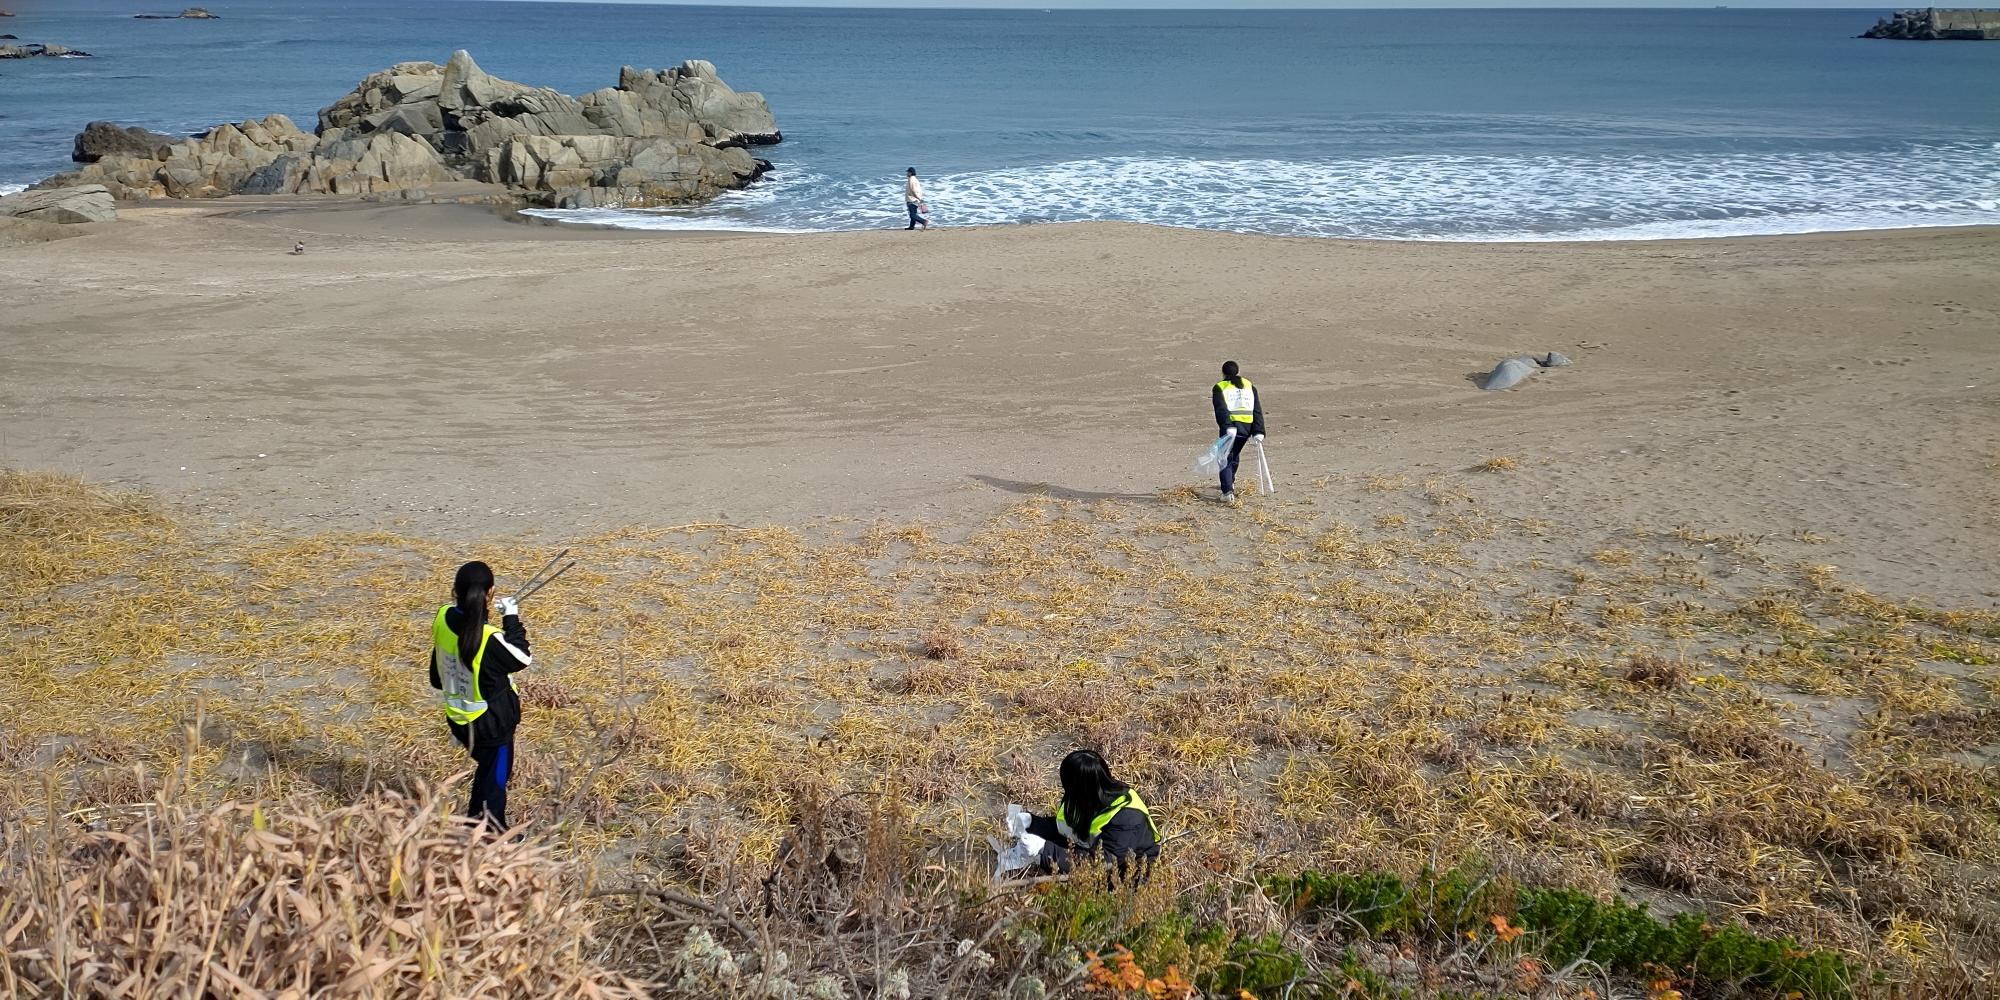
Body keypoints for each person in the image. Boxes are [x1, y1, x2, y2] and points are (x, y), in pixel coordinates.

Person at [427, 560, 532, 830]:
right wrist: (511, 617)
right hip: (490, 725)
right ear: (491, 593)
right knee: (494, 780)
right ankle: (490, 833)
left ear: (454, 591)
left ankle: (475, 822)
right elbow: (522, 657)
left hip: (458, 718)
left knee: (486, 772)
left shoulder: (442, 616)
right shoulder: (490, 638)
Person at [1026, 749, 1160, 887]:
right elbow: (1065, 828)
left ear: (1080, 787)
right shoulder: (1086, 797)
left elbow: (1099, 864)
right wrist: (1032, 823)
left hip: (1125, 879)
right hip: (1092, 853)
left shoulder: (1128, 818)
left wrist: (1043, 849)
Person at [1210, 360, 1265, 504]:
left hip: (1231, 428)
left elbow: (1221, 409)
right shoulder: (1249, 385)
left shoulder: (1220, 387)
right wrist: (1258, 430)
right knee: (1234, 455)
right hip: (1246, 428)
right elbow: (1256, 410)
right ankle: (1230, 482)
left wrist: (1227, 425)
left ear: (1223, 372)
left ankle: (1227, 492)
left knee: (1225, 458)